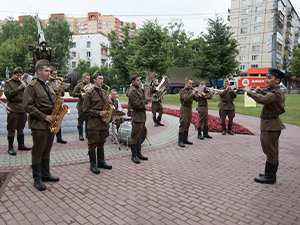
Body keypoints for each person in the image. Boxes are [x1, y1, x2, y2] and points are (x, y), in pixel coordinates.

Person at [243, 68, 286, 184]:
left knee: (270, 150)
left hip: (270, 126)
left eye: (270, 78)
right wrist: (262, 91)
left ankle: (270, 177)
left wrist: (249, 91)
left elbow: (262, 100)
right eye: (267, 77)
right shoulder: (276, 92)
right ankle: (269, 174)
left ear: (277, 80)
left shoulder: (275, 93)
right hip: (271, 125)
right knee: (271, 150)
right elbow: (269, 96)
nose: (267, 80)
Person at [23, 59, 61, 191]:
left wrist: (58, 101)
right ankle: (37, 178)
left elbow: (51, 101)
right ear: (39, 71)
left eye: (49, 71)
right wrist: (44, 117)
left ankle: (45, 174)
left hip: (50, 122)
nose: (49, 73)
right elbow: (28, 106)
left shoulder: (48, 85)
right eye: (46, 71)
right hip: (39, 123)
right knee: (38, 151)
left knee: (47, 149)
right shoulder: (31, 86)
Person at [83, 71, 112, 174]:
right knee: (92, 144)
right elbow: (85, 110)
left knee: (101, 142)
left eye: (102, 79)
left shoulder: (105, 93)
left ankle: (101, 161)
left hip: (104, 123)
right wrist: (99, 113)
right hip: (94, 123)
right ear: (94, 80)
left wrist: (110, 103)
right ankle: (93, 164)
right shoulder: (89, 93)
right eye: (100, 79)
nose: (102, 81)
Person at [4, 67, 31, 155]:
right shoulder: (8, 83)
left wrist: (27, 86)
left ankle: (21, 145)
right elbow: (8, 95)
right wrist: (19, 88)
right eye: (17, 75)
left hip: (22, 107)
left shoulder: (23, 82)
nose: (19, 77)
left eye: (20, 75)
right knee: (11, 128)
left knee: (21, 127)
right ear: (13, 74)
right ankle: (10, 147)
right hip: (13, 107)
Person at [127, 72, 152, 163]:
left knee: (140, 136)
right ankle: (134, 155)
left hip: (141, 115)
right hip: (137, 115)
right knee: (135, 136)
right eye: (138, 80)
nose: (140, 81)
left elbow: (143, 99)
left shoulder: (139, 89)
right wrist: (146, 100)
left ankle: (139, 153)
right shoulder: (132, 91)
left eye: (140, 79)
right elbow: (137, 104)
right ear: (133, 81)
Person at [49, 67, 67, 144]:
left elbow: (62, 94)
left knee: (58, 120)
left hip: (58, 104)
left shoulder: (58, 81)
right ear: (50, 74)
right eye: (54, 74)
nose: (55, 75)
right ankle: (49, 138)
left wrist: (62, 90)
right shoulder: (48, 82)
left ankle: (59, 138)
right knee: (51, 120)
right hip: (51, 104)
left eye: (56, 74)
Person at [178, 76, 198, 147]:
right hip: (184, 109)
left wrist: (199, 93)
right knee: (183, 124)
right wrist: (193, 93)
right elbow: (186, 99)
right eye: (190, 83)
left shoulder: (190, 91)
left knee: (188, 124)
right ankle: (180, 141)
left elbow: (196, 99)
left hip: (189, 109)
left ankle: (185, 139)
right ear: (186, 83)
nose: (191, 85)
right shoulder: (182, 91)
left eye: (192, 84)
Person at [71, 72, 91, 141]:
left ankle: (87, 133)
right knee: (81, 120)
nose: (88, 80)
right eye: (87, 79)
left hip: (88, 106)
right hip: (81, 105)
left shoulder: (91, 85)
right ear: (83, 78)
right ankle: (80, 134)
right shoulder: (79, 85)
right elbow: (73, 94)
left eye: (89, 79)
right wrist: (81, 94)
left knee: (88, 120)